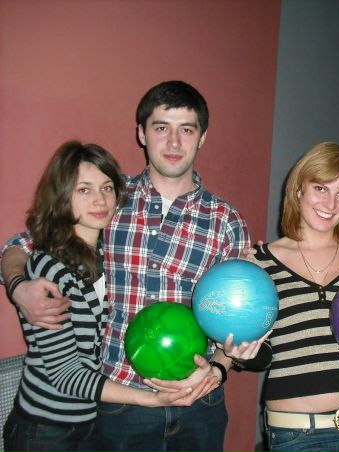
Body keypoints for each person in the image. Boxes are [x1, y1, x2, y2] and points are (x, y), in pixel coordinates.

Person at [0, 81, 256, 451]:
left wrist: (218, 369)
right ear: (141, 133)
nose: (173, 142)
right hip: (121, 403)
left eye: (186, 130)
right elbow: (19, 246)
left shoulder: (226, 221)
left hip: (199, 401)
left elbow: (238, 317)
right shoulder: (109, 197)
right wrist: (18, 286)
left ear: (202, 137)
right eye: (161, 128)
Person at [3, 141, 201, 452]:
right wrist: (151, 399)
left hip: (88, 423)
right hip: (44, 430)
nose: (100, 200)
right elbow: (67, 375)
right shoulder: (50, 269)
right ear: (62, 195)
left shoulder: (102, 255)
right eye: (84, 190)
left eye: (107, 188)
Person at [247, 142, 339, 452]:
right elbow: (264, 354)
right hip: (299, 436)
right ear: (298, 189)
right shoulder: (260, 262)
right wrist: (241, 351)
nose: (331, 203)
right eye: (320, 188)